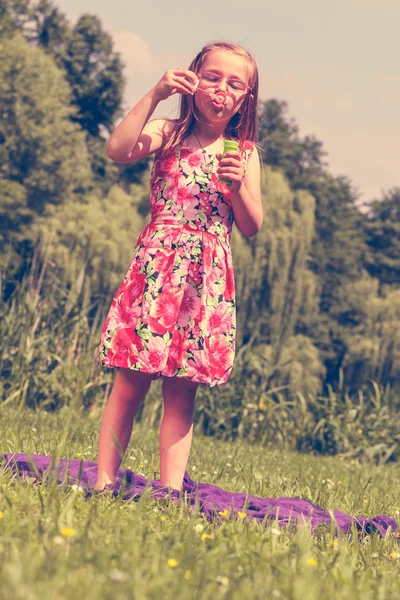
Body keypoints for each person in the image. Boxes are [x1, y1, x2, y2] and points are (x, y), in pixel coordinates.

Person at [95, 40, 263, 492]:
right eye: (212, 77)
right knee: (131, 381)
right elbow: (118, 148)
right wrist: (155, 93)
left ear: (246, 97)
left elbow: (251, 226)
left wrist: (235, 188)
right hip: (158, 269)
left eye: (234, 84)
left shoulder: (244, 153)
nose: (221, 90)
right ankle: (103, 482)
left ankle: (170, 492)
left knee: (181, 390)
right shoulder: (169, 132)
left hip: (204, 279)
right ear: (192, 80)